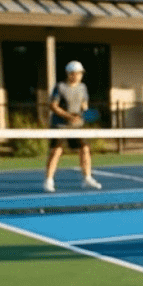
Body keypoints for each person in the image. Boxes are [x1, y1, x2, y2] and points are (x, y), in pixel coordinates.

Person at [44, 60, 100, 192]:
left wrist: (85, 114)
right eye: (74, 73)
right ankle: (49, 181)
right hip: (60, 125)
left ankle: (87, 178)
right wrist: (69, 116)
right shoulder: (60, 87)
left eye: (80, 73)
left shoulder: (83, 87)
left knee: (85, 148)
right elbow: (53, 106)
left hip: (77, 127)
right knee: (56, 151)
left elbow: (84, 105)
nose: (77, 76)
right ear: (69, 74)